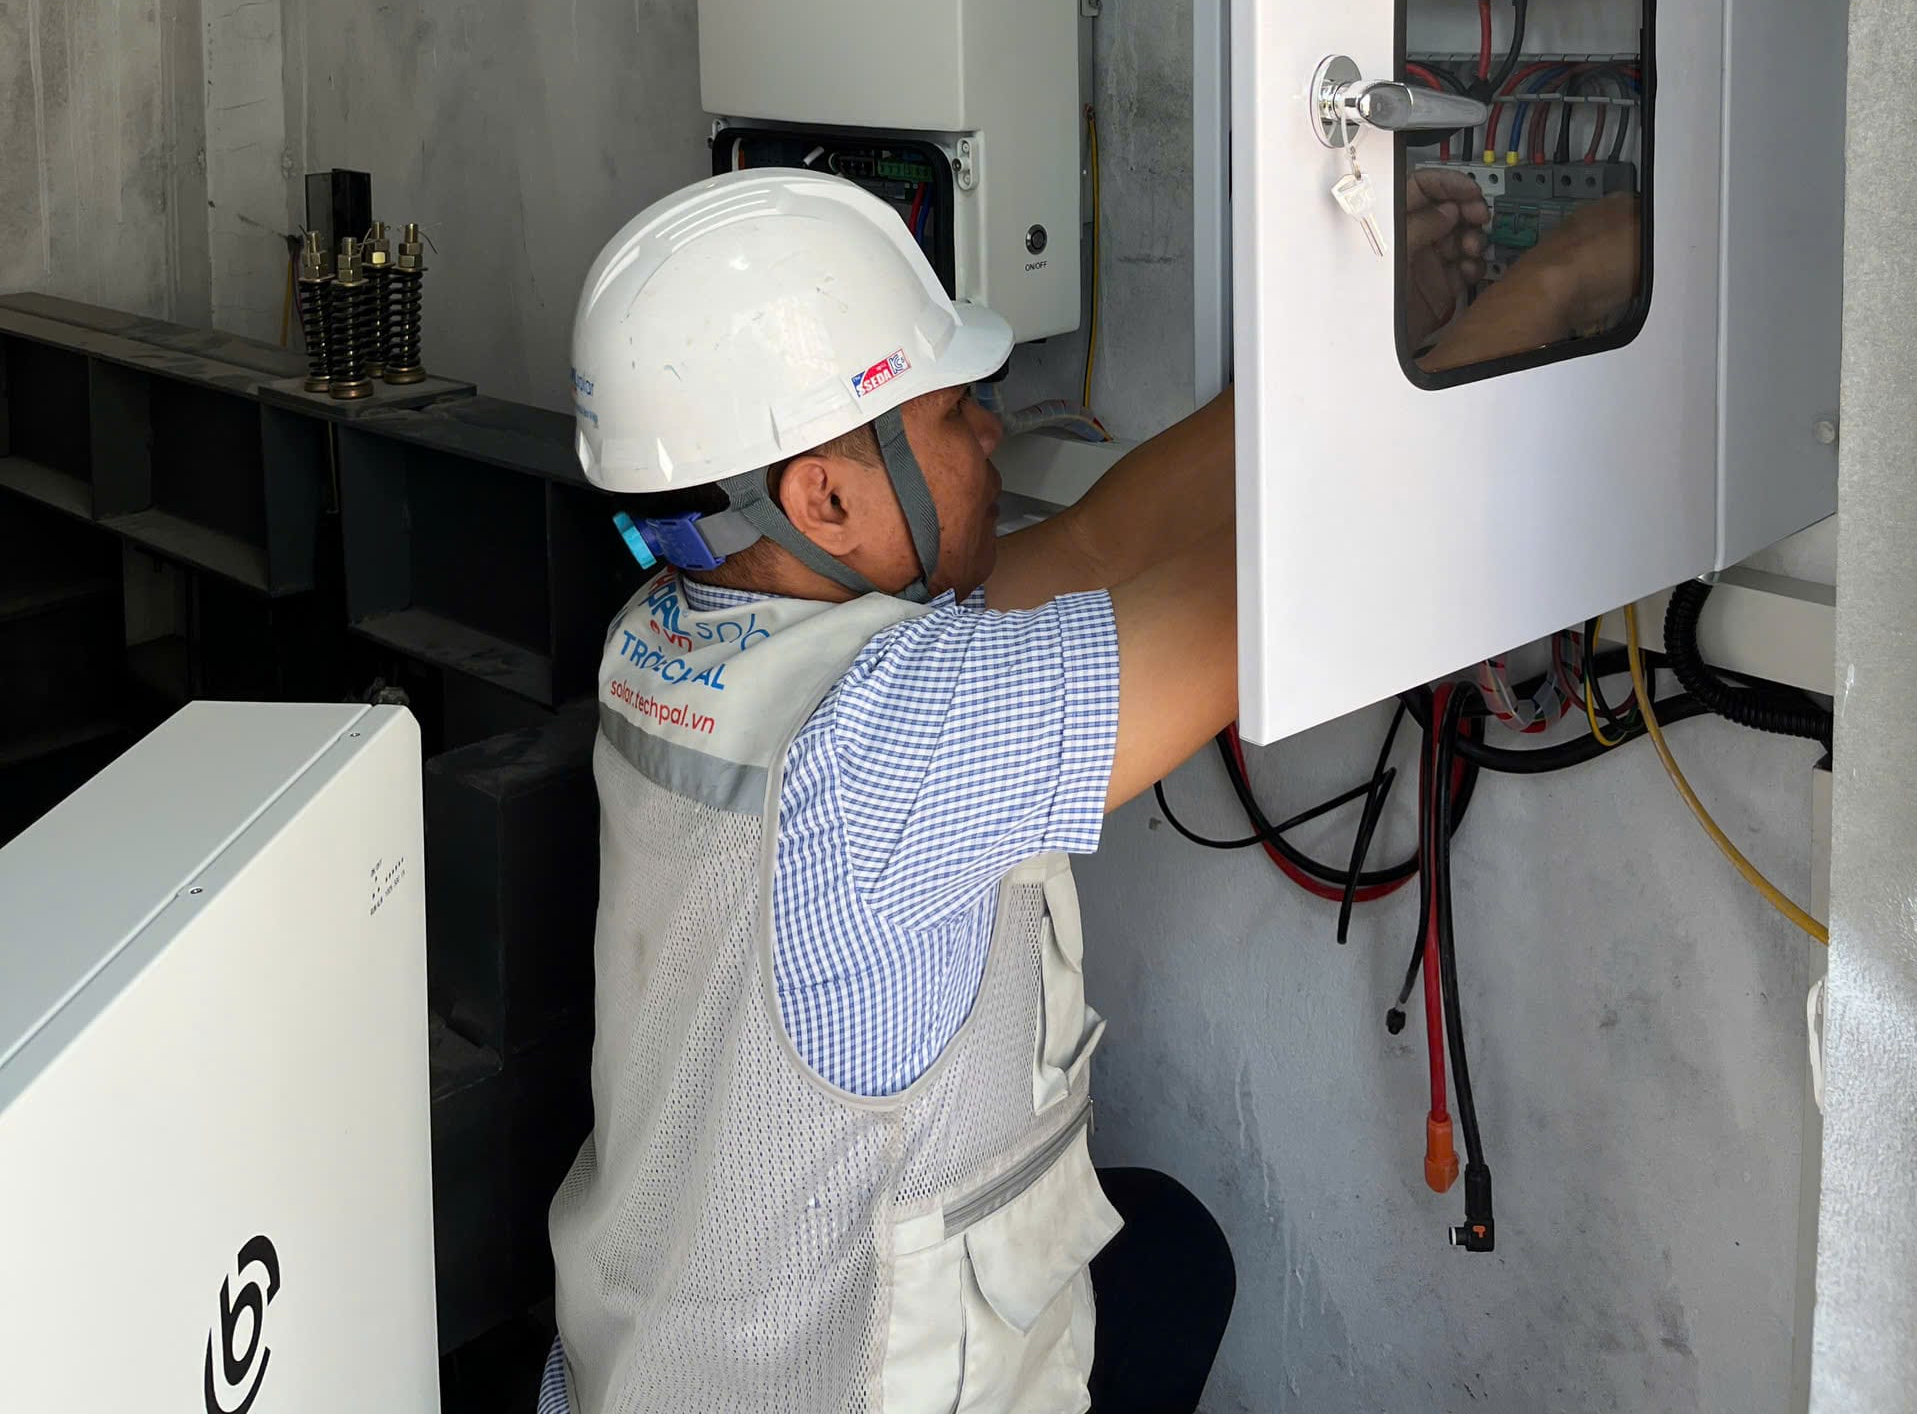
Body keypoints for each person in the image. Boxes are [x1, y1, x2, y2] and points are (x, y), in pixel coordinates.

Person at [539, 162, 1635, 1414]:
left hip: (658, 1368)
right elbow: (1292, 576)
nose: (992, 432)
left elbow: (1106, 541)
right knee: (1170, 1265)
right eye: (955, 410)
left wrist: (1384, 340)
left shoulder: (677, 631)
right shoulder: (890, 737)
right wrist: (1560, 285)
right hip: (832, 1385)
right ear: (824, 497)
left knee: (1164, 1251)